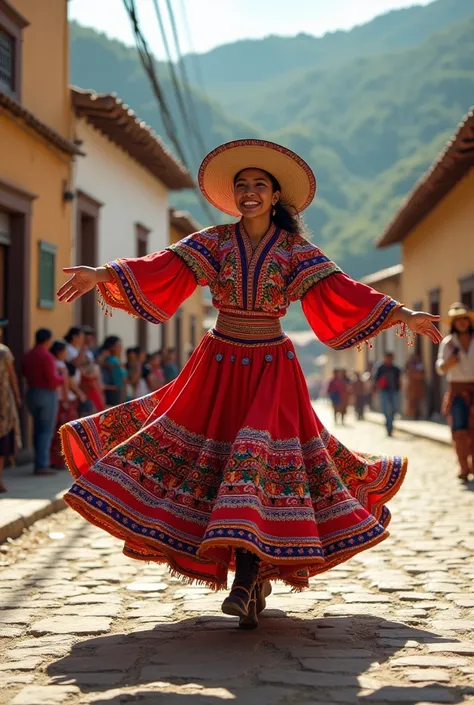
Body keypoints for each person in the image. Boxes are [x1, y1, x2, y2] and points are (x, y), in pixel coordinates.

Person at [57, 138, 441, 629]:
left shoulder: (295, 250)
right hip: (218, 362)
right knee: (214, 461)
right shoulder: (214, 241)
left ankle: (247, 578)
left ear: (277, 195)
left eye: (260, 185)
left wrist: (401, 313)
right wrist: (105, 273)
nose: (250, 192)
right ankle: (249, 576)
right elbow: (164, 266)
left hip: (272, 368)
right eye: (242, 186)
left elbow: (341, 289)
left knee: (254, 463)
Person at [436, 302, 474, 481]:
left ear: (468, 321)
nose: (461, 323)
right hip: (457, 391)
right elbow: (440, 368)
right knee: (460, 430)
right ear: (454, 323)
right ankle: (463, 467)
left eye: (464, 319)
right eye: (457, 320)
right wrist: (449, 362)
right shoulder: (448, 343)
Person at [22, 328, 64, 476]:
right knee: (46, 430)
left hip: (31, 392)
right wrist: (63, 377)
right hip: (46, 393)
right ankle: (42, 464)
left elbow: (24, 373)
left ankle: (38, 462)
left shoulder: (28, 355)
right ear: (47, 340)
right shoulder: (46, 356)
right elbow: (52, 381)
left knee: (37, 429)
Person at [49, 340, 84, 469]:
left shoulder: (58, 364)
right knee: (62, 430)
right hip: (63, 400)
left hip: (58, 399)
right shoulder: (60, 365)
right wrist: (65, 400)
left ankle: (57, 459)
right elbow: (65, 385)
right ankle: (59, 459)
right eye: (64, 351)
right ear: (59, 352)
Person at [0, 322, 21, 492]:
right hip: (3, 400)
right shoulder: (4, 352)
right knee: (3, 439)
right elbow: (12, 377)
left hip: (4, 399)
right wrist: (17, 396)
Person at [375, 352, 402, 437]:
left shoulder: (396, 369)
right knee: (386, 410)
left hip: (394, 391)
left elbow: (399, 380)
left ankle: (390, 423)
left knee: (394, 409)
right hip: (384, 391)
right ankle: (388, 427)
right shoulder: (380, 368)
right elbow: (376, 380)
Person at [100, 336, 126, 407]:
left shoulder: (117, 360)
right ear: (111, 347)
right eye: (118, 344)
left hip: (118, 392)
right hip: (116, 393)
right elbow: (119, 379)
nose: (121, 346)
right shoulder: (112, 361)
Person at [404, 352, 426, 419]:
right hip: (411, 385)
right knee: (411, 401)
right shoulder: (409, 365)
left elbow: (422, 374)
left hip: (418, 385)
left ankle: (417, 414)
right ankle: (411, 414)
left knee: (418, 400)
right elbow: (407, 373)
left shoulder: (419, 365)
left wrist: (416, 375)